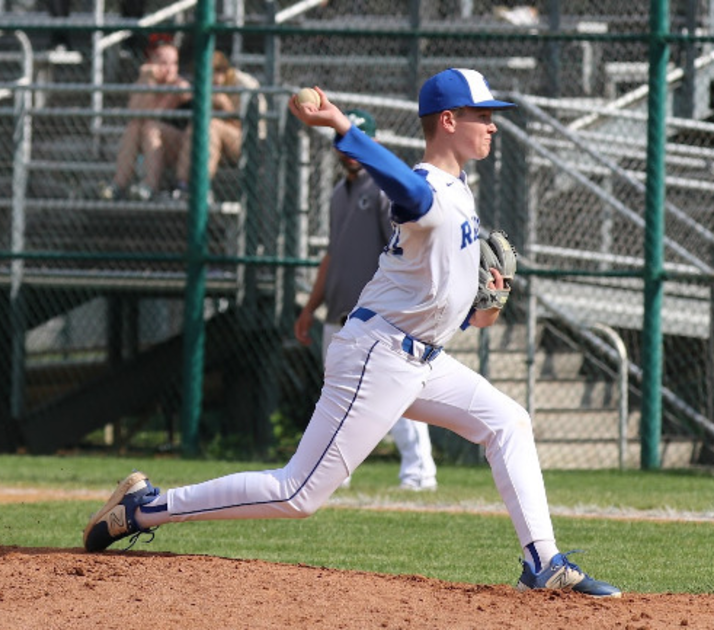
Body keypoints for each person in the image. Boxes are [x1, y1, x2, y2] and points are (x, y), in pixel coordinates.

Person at [82, 68, 622, 598]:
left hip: (421, 357)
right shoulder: (427, 189)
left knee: (508, 421)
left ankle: (542, 562)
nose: (493, 125)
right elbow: (402, 182)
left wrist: (489, 305)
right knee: (297, 492)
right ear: (449, 120)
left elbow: (462, 313)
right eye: (483, 115)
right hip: (378, 354)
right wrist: (342, 125)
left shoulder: (458, 192)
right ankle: (145, 507)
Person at [294, 108, 438, 492]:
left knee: (399, 397)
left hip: (377, 316)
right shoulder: (339, 194)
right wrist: (310, 308)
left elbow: (397, 251)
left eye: (359, 139)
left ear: (371, 142)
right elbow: (331, 254)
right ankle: (333, 474)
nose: (350, 151)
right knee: (337, 398)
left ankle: (419, 473)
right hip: (339, 311)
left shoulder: (380, 191)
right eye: (346, 141)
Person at [98, 42, 192, 201]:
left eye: (174, 63)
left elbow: (154, 113)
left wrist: (150, 84)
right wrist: (147, 81)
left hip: (182, 149)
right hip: (152, 144)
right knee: (134, 127)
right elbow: (134, 113)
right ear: (152, 64)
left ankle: (150, 186)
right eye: (163, 63)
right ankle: (118, 185)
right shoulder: (147, 82)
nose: (170, 68)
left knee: (149, 127)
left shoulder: (179, 86)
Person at [173, 51, 255, 194]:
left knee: (211, 125)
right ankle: (181, 186)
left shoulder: (242, 84)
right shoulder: (201, 86)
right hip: (209, 144)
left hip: (243, 144)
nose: (215, 78)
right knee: (197, 126)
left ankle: (200, 188)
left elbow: (248, 129)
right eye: (210, 73)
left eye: (219, 71)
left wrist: (226, 106)